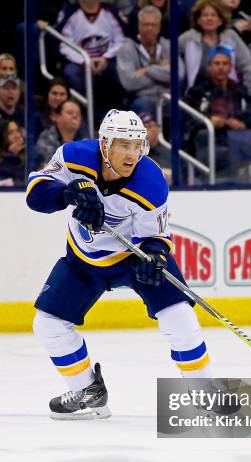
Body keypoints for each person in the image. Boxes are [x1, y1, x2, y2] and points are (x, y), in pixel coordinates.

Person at [26, 109, 214, 420]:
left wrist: (154, 256)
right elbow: (36, 197)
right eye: (123, 145)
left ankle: (205, 390)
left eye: (137, 145)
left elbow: (157, 237)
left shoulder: (151, 182)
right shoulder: (73, 156)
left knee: (179, 316)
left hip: (132, 256)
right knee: (47, 324)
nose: (131, 154)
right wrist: (67, 192)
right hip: (83, 259)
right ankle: (88, 392)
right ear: (103, 145)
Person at [184, 45, 251, 179]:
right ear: (209, 67)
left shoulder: (240, 90)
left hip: (236, 138)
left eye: (225, 64)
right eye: (217, 63)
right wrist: (208, 120)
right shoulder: (196, 91)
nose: (221, 67)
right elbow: (188, 117)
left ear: (231, 67)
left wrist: (242, 123)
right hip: (209, 138)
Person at [57, 0, 126, 119]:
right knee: (72, 73)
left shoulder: (110, 12)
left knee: (119, 72)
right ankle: (90, 115)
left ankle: (118, 114)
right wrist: (84, 61)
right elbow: (64, 45)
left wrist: (106, 57)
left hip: (107, 61)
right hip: (79, 63)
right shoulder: (71, 12)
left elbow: (120, 40)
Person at [117, 5, 183, 117]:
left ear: (159, 27)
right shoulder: (126, 48)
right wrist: (162, 73)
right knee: (142, 105)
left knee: (179, 106)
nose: (149, 28)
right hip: (142, 98)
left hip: (167, 97)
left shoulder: (168, 46)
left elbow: (178, 75)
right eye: (145, 24)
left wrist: (147, 70)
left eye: (153, 25)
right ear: (138, 26)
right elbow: (129, 82)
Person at [178, 0, 251, 92]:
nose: (209, 19)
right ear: (198, 20)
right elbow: (172, 55)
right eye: (205, 15)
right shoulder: (187, 38)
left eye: (213, 15)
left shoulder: (231, 36)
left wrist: (250, 91)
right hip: (196, 93)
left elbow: (247, 65)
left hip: (229, 92)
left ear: (220, 20)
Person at [35, 99, 83, 168]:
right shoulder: (46, 137)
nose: (75, 116)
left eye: (78, 114)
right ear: (57, 117)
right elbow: (51, 165)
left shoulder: (84, 139)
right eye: (70, 113)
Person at [0, 119, 25, 186]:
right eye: (10, 133)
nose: (16, 135)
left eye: (17, 131)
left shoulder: (30, 157)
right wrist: (11, 156)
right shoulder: (2, 164)